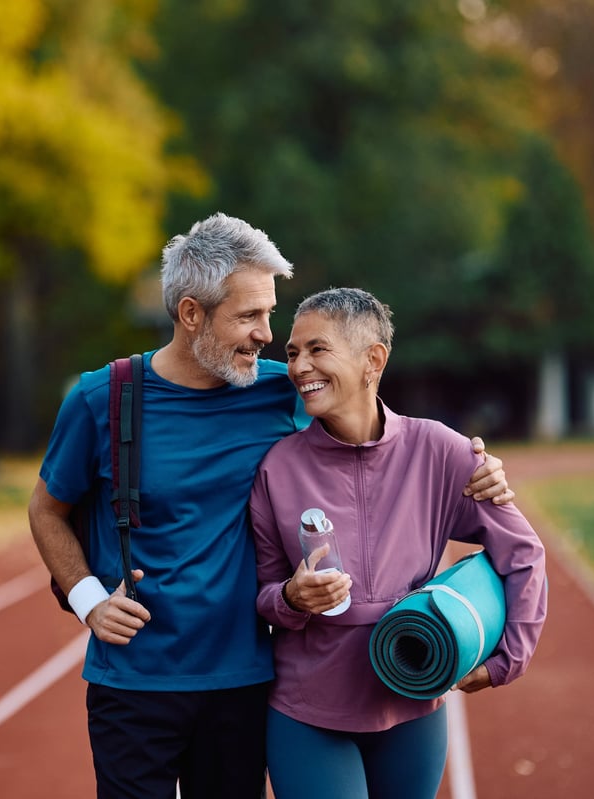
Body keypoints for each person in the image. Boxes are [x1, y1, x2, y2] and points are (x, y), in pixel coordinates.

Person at [28, 214, 513, 799]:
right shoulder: (102, 399)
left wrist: (474, 465)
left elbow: (382, 429)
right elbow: (46, 510)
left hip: (246, 682)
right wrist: (88, 601)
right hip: (135, 682)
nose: (266, 334)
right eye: (248, 316)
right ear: (190, 314)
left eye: (269, 314)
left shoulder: (284, 390)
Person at [250, 287, 548, 799]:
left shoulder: (443, 451)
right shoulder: (277, 467)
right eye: (293, 352)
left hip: (414, 698)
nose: (299, 367)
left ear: (373, 360)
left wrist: (506, 660)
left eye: (317, 349)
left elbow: (522, 553)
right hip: (308, 711)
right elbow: (264, 594)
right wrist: (292, 599)